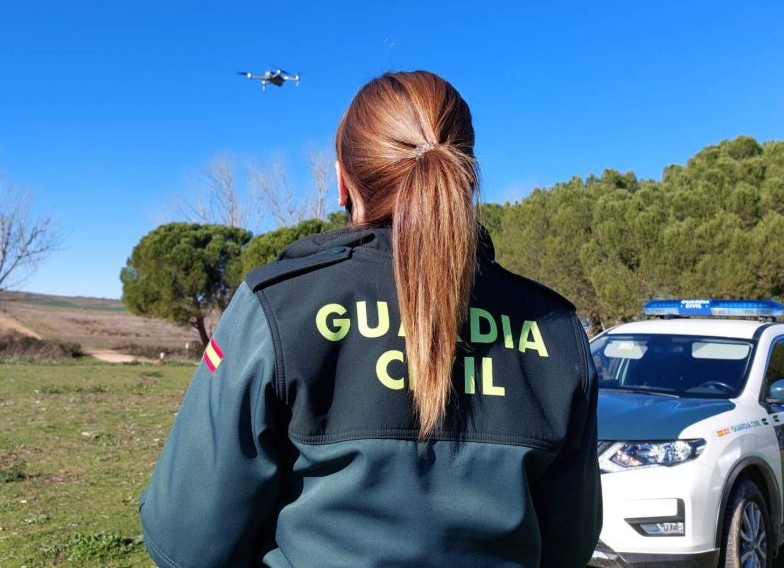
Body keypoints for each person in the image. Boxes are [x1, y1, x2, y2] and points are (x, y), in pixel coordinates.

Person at [139, 71, 602, 568]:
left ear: (342, 182)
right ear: (466, 177)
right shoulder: (555, 327)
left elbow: (186, 543)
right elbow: (569, 544)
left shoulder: (276, 306)